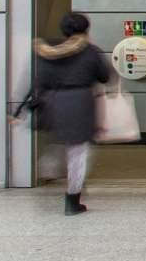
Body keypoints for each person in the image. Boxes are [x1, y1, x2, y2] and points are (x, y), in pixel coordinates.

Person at [12, 12, 118, 217]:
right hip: (81, 103)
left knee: (60, 144)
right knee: (78, 152)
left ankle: (54, 169)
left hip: (55, 104)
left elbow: (37, 82)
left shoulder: (49, 51)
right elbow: (105, 77)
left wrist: (19, 110)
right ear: (86, 29)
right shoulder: (90, 52)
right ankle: (72, 199)